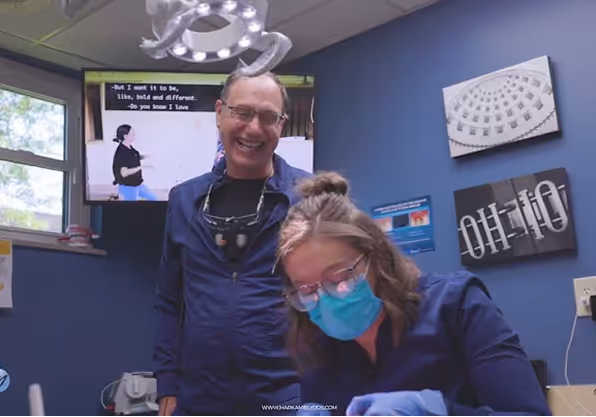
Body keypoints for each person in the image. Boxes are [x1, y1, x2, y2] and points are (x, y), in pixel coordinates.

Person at [277, 172, 551, 416]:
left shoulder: (456, 306)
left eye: (339, 278)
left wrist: (442, 411)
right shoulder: (317, 346)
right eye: (306, 289)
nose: (326, 299)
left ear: (378, 259)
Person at [154, 72, 311, 415]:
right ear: (220, 113)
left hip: (285, 396)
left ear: (281, 125)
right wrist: (167, 381)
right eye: (242, 113)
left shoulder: (311, 198)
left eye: (268, 117)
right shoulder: (184, 200)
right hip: (198, 398)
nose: (254, 128)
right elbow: (169, 301)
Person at [111, 124, 157, 201]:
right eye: (132, 133)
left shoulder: (128, 147)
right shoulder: (121, 152)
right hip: (128, 187)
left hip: (138, 184)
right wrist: (142, 167)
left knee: (154, 199)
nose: (134, 135)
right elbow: (124, 173)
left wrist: (147, 156)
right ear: (125, 136)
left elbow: (133, 156)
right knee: (131, 209)